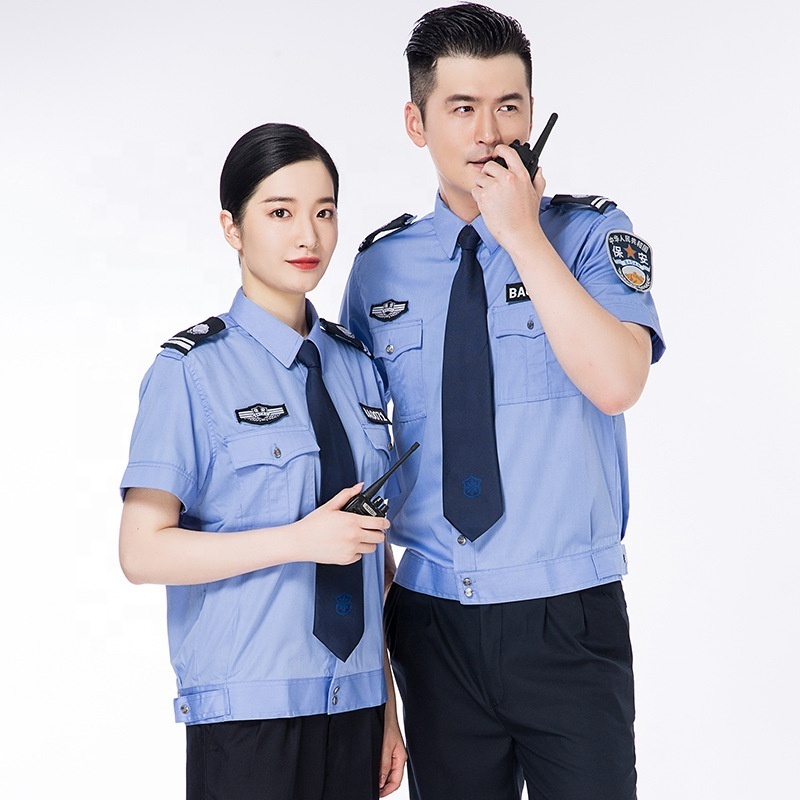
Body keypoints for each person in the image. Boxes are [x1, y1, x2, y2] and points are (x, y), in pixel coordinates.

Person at [341, 4, 665, 799]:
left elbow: (619, 382)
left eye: (509, 107)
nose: (490, 133)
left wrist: (520, 233)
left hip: (567, 617)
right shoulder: (380, 269)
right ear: (417, 123)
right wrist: (376, 685)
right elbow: (361, 480)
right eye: (462, 108)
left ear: (531, 113)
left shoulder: (587, 236)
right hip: (432, 622)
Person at [119, 122, 406, 800]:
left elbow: (372, 556)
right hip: (249, 717)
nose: (307, 235)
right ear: (233, 227)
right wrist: (299, 541)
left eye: (324, 212)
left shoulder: (358, 367)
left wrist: (388, 707)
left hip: (355, 706)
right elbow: (141, 551)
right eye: (280, 213)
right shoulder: (192, 371)